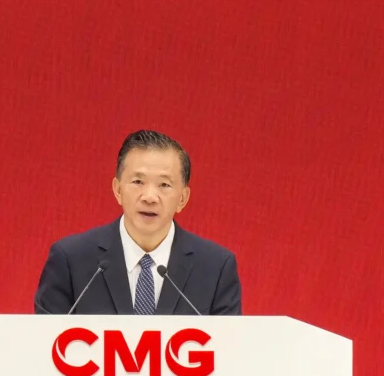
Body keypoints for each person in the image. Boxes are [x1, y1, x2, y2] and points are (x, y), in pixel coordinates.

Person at [33, 130, 242, 316]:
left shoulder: (216, 268)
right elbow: (44, 341)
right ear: (117, 190)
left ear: (182, 199)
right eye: (138, 182)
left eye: (164, 185)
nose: (149, 197)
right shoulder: (70, 260)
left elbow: (229, 346)